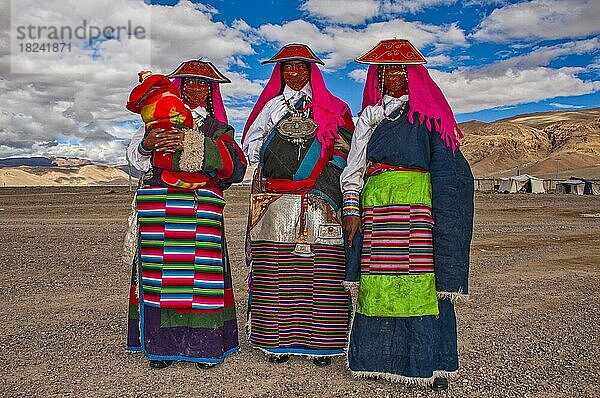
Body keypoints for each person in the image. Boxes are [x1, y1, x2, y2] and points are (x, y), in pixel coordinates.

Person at [340, 39, 474, 390]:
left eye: (398, 69)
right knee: (379, 285)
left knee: (421, 285)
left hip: (417, 212)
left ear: (412, 75)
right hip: (377, 210)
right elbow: (354, 168)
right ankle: (376, 360)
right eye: (383, 70)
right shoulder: (368, 119)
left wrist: (442, 221)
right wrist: (352, 207)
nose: (390, 75)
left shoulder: (430, 118)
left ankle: (430, 363)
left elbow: (448, 174)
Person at [124, 60, 246, 370]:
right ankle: (161, 346)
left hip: (199, 209)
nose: (195, 88)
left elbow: (236, 168)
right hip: (160, 209)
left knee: (201, 280)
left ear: (210, 91)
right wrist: (146, 144)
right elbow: (137, 164)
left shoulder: (219, 129)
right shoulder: (155, 122)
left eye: (202, 84)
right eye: (189, 82)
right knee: (161, 278)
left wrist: (197, 144)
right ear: (180, 86)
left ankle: (204, 346)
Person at [242, 43, 355, 367]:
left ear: (311, 70)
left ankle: (323, 344)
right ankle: (276, 341)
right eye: (287, 67)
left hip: (320, 201)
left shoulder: (334, 108)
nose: (293, 72)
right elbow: (251, 148)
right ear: (280, 71)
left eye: (300, 67)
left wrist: (326, 190)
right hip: (276, 201)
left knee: (322, 274)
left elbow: (344, 149)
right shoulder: (271, 108)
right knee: (276, 273)